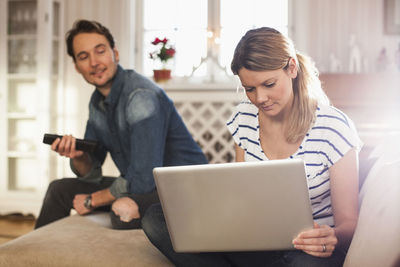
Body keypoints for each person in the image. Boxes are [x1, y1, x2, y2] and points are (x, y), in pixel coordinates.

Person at [142, 27, 361, 266]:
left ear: (292, 68)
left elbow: (349, 224)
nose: (260, 99)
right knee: (157, 218)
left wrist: (332, 237)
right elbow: (242, 194)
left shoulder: (333, 126)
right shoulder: (243, 119)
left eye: (269, 84)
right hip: (255, 242)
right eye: (250, 89)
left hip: (308, 250)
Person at [35, 20, 207, 230]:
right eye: (83, 57)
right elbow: (92, 172)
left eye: (100, 51)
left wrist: (94, 200)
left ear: (115, 53)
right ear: (77, 67)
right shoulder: (96, 102)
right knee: (58, 189)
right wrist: (79, 157)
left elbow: (144, 177)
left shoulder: (141, 97)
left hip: (183, 190)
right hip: (144, 186)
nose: (94, 62)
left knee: (122, 209)